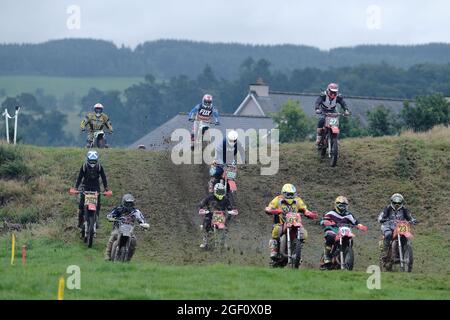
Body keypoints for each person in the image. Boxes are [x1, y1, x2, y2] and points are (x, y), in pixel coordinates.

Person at [264, 184, 317, 263]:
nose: (290, 196)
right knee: (276, 231)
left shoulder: (298, 200)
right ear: (284, 193)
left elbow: (305, 209)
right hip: (281, 223)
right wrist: (273, 210)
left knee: (304, 234)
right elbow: (268, 208)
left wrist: (309, 213)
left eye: (292, 194)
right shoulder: (278, 199)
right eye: (288, 194)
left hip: (295, 223)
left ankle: (297, 251)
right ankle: (274, 250)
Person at [319, 196, 367, 269]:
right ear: (336, 205)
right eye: (341, 205)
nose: (342, 207)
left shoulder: (349, 215)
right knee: (330, 237)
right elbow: (323, 220)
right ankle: (326, 256)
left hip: (345, 231)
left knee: (350, 239)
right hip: (333, 229)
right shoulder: (331, 213)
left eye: (344, 206)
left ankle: (346, 255)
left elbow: (356, 222)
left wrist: (360, 226)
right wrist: (326, 222)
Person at [104, 194, 149, 261]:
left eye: (130, 204)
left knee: (133, 241)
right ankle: (107, 256)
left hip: (129, 230)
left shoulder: (136, 212)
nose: (129, 206)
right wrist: (110, 218)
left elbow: (141, 219)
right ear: (123, 202)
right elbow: (110, 214)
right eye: (127, 204)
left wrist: (144, 224)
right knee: (113, 237)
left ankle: (128, 259)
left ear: (133, 204)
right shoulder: (118, 209)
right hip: (118, 229)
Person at [74, 150, 109, 230]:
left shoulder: (99, 166)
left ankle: (96, 220)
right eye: (91, 161)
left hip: (96, 187)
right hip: (85, 186)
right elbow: (79, 177)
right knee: (81, 206)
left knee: (98, 205)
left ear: (97, 160)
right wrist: (76, 187)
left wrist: (106, 188)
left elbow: (103, 177)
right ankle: (80, 223)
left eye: (94, 161)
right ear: (88, 159)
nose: (92, 163)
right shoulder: (84, 166)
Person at [377, 193, 417, 260]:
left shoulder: (404, 209)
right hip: (388, 226)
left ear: (402, 203)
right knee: (388, 234)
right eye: (395, 203)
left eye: (398, 203)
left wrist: (413, 220)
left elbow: (409, 217)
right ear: (392, 202)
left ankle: (404, 251)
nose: (396, 205)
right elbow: (381, 216)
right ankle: (385, 251)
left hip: (400, 227)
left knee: (405, 236)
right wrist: (382, 219)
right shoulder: (388, 208)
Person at [198, 183, 237, 248]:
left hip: (221, 216)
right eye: (219, 191)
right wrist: (201, 209)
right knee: (206, 222)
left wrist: (232, 211)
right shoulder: (209, 197)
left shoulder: (225, 199)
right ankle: (205, 241)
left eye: (222, 192)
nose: (220, 193)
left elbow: (230, 207)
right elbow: (201, 204)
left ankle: (224, 241)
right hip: (210, 215)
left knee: (226, 225)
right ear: (215, 191)